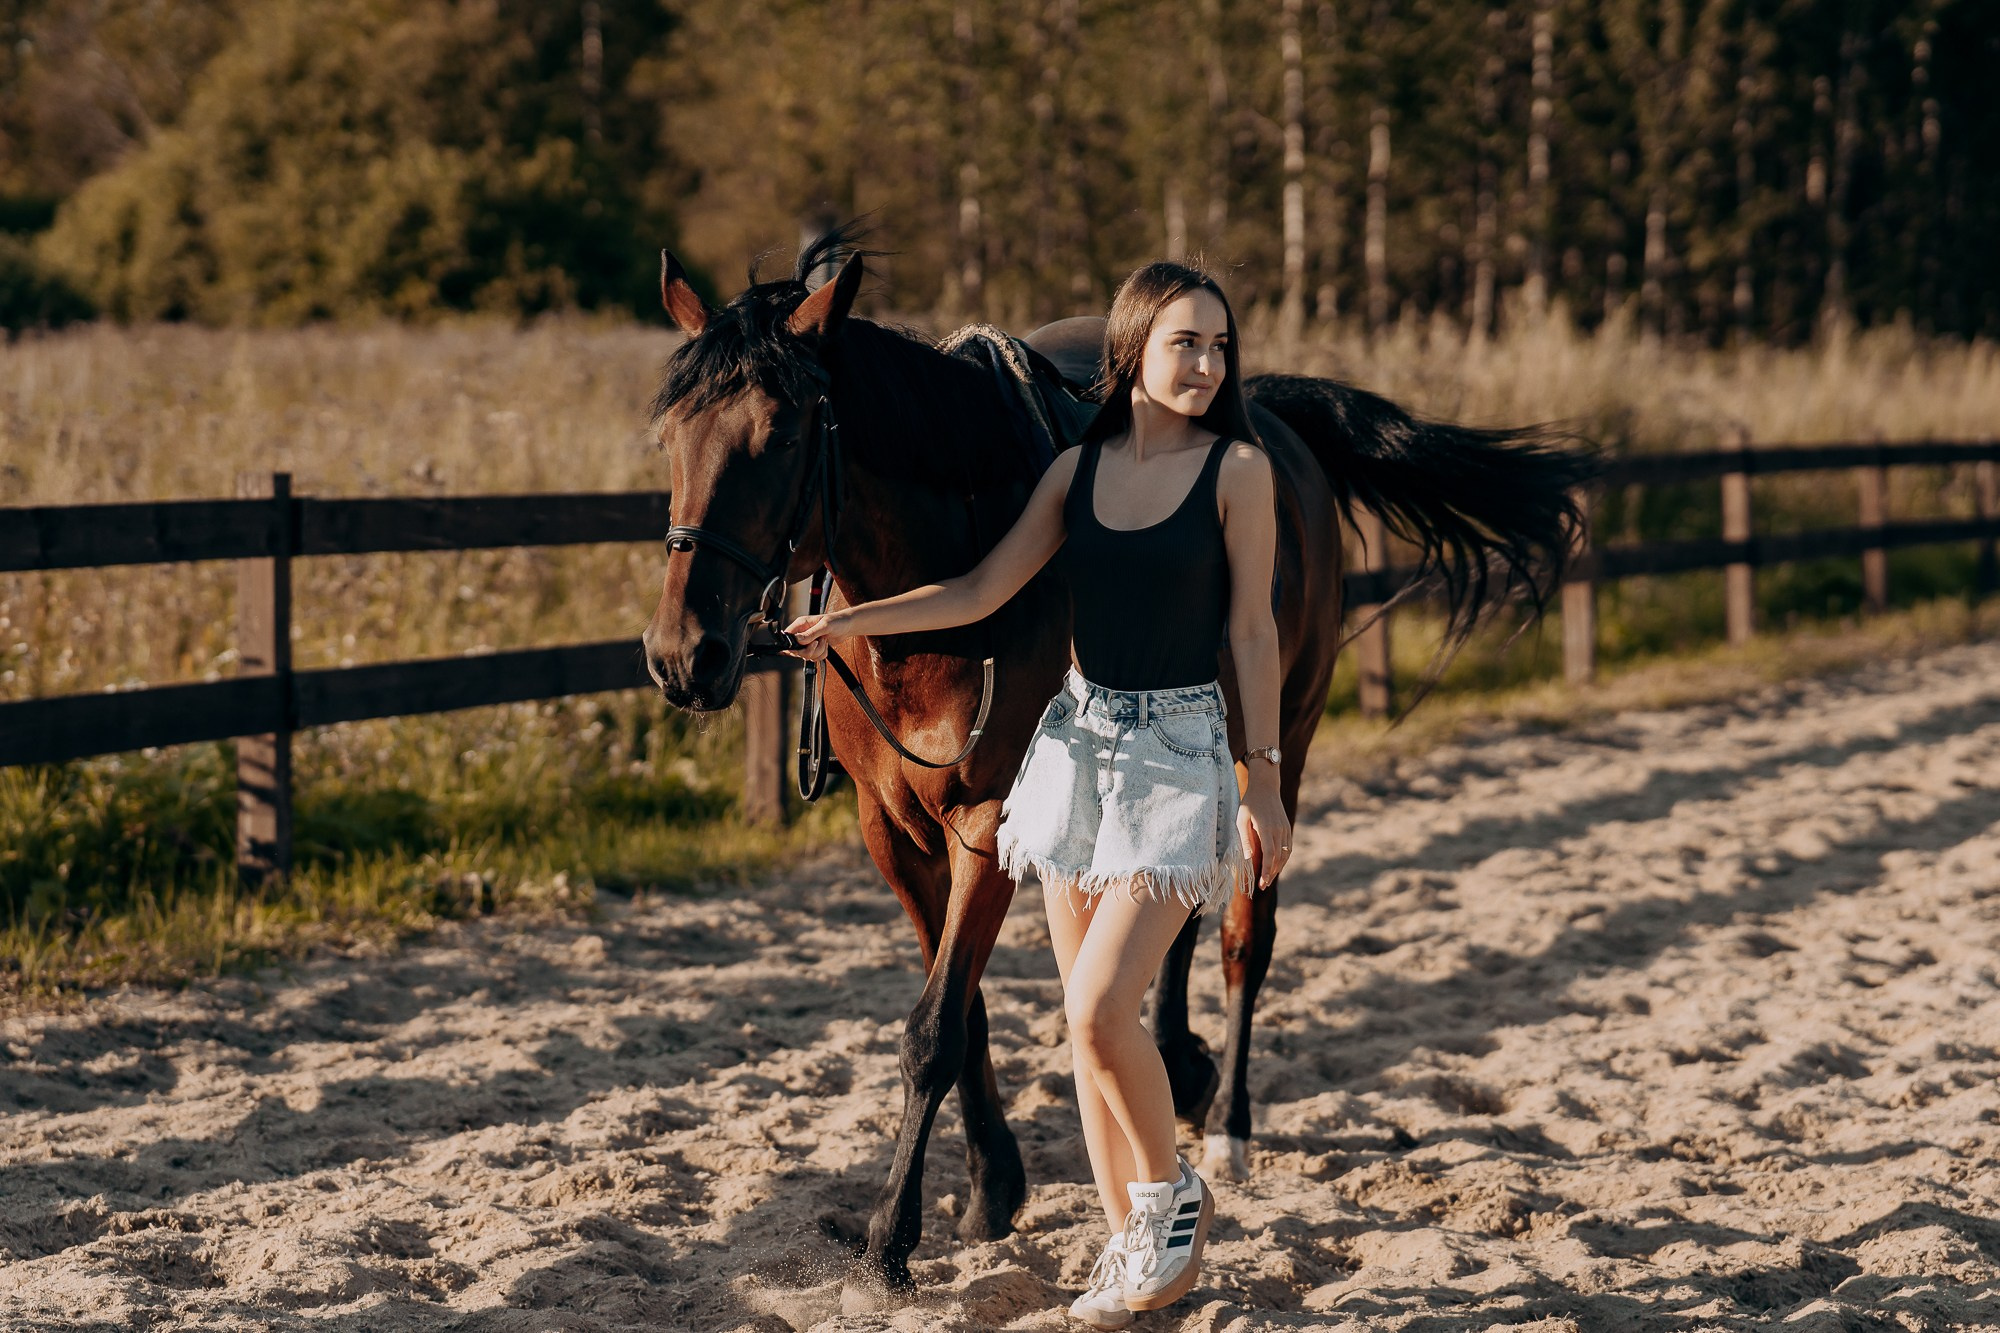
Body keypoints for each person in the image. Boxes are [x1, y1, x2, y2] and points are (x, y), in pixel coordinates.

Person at [781, 260, 1291, 1326]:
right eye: (1182, 342)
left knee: (1108, 1008)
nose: (1203, 362)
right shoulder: (1073, 473)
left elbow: (1250, 632)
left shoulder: (1237, 471)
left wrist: (1265, 777)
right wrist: (846, 623)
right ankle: (1129, 1250)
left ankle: (1168, 1204)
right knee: (1078, 1022)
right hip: (1076, 756)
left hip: (1178, 760)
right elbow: (977, 589)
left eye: (1217, 345)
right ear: (1131, 351)